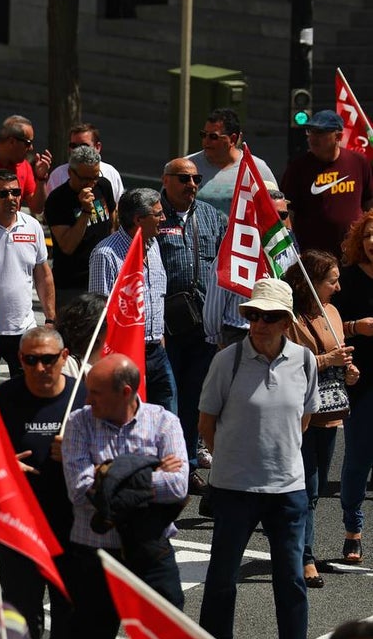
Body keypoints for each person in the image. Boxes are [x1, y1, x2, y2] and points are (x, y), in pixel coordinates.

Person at [198, 278, 318, 639]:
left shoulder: (305, 360)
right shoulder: (226, 361)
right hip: (234, 488)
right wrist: (232, 461)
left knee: (292, 583)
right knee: (221, 582)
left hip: (288, 490)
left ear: (286, 322)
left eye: (270, 317)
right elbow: (207, 423)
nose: (259, 324)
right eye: (253, 316)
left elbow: (304, 417)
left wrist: (276, 456)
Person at [61, 354, 187, 639]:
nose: (88, 400)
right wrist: (149, 470)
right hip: (95, 555)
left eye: (96, 393)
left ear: (126, 392)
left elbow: (177, 487)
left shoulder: (164, 422)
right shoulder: (79, 422)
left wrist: (108, 476)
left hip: (151, 552)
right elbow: (79, 488)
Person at [0, 326, 82, 639]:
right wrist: (2, 467)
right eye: (31, 360)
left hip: (72, 531)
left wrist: (77, 452)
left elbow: (113, 457)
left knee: (71, 621)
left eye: (48, 359)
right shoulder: (1, 400)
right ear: (20, 359)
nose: (40, 368)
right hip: (19, 531)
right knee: (20, 623)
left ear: (64, 357)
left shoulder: (84, 397)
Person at [285, 249, 357, 588]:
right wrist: (328, 359)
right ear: (310, 284)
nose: (338, 288)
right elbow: (285, 366)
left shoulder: (332, 312)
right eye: (332, 281)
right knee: (307, 487)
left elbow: (338, 359)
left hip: (331, 413)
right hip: (300, 414)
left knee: (315, 489)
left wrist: (348, 370)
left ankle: (302, 550)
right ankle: (304, 556)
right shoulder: (289, 320)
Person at [157, 157, 226, 496]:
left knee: (196, 399)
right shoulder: (152, 215)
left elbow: (230, 263)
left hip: (205, 324)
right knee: (167, 399)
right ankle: (165, 463)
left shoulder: (213, 217)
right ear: (166, 180)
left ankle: (188, 468)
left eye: (196, 179)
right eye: (184, 179)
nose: (192, 185)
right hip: (167, 328)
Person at [88, 188, 176, 412]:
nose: (164, 218)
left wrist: (160, 339)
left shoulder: (153, 246)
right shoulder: (106, 255)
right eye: (158, 214)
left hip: (157, 352)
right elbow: (100, 313)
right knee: (129, 417)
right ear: (138, 219)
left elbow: (157, 296)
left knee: (167, 415)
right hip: (125, 354)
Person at [0, 170, 55, 379]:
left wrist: (50, 318)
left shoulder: (32, 226)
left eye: (16, 192)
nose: (11, 198)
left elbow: (43, 274)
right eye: (3, 194)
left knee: (25, 393)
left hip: (24, 330)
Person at [203, 188, 292, 349]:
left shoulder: (287, 252)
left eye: (283, 215)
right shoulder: (233, 254)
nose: (279, 221)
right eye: (273, 215)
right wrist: (218, 340)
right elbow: (214, 305)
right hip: (239, 336)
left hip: (278, 334)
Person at [333, 210, 373, 565]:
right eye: (368, 235)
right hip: (359, 380)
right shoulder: (347, 279)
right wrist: (356, 326)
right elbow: (328, 327)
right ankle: (352, 531)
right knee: (358, 458)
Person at [281, 109, 373, 259]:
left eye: (320, 133)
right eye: (310, 132)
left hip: (353, 254)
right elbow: (287, 211)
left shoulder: (358, 162)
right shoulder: (298, 168)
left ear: (339, 136)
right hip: (314, 257)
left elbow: (369, 203)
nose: (312, 138)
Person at [45, 144, 117, 308]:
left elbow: (112, 224)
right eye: (85, 179)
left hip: (102, 276)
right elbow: (67, 246)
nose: (91, 184)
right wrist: (85, 212)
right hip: (72, 284)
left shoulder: (103, 186)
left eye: (95, 177)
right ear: (71, 173)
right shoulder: (57, 200)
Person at [187, 108, 277, 216]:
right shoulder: (187, 167)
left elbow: (276, 208)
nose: (206, 140)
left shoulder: (256, 168)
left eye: (213, 137)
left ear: (233, 139)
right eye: (203, 135)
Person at [0, 115, 51, 216]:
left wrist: (41, 179)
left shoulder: (25, 166)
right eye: (28, 143)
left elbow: (37, 208)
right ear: (12, 141)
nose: (31, 148)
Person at [45, 123, 124, 198]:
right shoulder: (58, 175)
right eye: (73, 146)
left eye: (84, 145)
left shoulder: (111, 173)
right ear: (70, 173)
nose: (78, 150)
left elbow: (118, 207)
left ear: (97, 147)